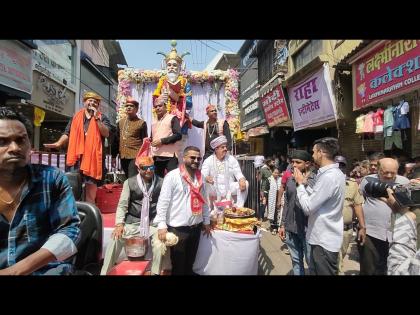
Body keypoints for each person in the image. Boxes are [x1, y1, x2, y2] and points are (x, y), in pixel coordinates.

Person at [0, 107, 80, 275]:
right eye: (2, 142)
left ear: (30, 144)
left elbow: (69, 230)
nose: (14, 148)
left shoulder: (52, 179)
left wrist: (16, 271)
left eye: (21, 140)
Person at [100, 156, 170, 275]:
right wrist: (119, 224)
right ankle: (104, 272)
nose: (149, 171)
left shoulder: (161, 182)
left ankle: (155, 273)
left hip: (153, 223)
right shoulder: (129, 182)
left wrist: (163, 225)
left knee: (160, 244)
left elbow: (166, 205)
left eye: (151, 167)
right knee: (115, 238)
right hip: (132, 222)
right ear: (138, 169)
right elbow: (122, 205)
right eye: (144, 168)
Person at [44, 91, 112, 204]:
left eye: (95, 102)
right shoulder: (76, 117)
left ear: (98, 105)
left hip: (92, 159)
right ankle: (74, 216)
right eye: (90, 100)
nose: (93, 103)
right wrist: (58, 143)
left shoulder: (102, 118)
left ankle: (89, 216)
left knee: (90, 193)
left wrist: (96, 118)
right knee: (73, 190)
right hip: (76, 158)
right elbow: (67, 133)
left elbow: (106, 133)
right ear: (84, 102)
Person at [154, 146, 211, 275]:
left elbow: (204, 200)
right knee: (178, 267)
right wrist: (161, 224)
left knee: (190, 264)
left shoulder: (200, 177)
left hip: (195, 227)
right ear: (183, 158)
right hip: (178, 229)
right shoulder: (172, 176)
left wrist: (206, 220)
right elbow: (163, 202)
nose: (196, 160)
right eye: (192, 157)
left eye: (199, 158)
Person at [294, 137, 346, 275]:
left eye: (313, 152)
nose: (312, 155)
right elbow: (319, 197)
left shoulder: (329, 177)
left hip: (324, 240)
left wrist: (299, 185)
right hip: (321, 237)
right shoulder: (333, 174)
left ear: (321, 152)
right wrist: (305, 185)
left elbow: (308, 207)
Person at [358, 157, 409, 275]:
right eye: (386, 172)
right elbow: (359, 202)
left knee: (391, 267)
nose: (390, 175)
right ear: (378, 170)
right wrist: (361, 226)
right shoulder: (367, 180)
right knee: (369, 268)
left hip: (396, 232)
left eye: (393, 172)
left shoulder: (404, 182)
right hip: (371, 231)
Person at [278, 150, 316, 275]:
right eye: (292, 162)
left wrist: (302, 183)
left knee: (311, 262)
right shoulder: (290, 180)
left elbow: (312, 205)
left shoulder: (315, 181)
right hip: (291, 227)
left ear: (307, 164)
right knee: (296, 261)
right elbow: (287, 203)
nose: (293, 165)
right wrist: (282, 224)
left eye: (298, 162)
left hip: (307, 230)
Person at [334, 155, 367, 275]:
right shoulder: (326, 182)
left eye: (342, 165)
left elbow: (357, 206)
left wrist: (362, 227)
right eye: (337, 165)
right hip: (331, 229)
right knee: (336, 263)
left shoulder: (352, 184)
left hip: (346, 230)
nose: (339, 168)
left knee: (340, 258)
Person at [154, 41, 192, 138]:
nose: (171, 67)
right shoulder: (162, 82)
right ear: (166, 67)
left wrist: (174, 96)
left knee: (179, 152)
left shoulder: (185, 83)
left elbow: (189, 104)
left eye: (174, 65)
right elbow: (154, 103)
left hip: (180, 124)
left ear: (180, 68)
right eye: (169, 65)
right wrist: (161, 97)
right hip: (163, 123)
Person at [201, 135, 248, 209]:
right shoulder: (208, 161)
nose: (225, 149)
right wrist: (206, 178)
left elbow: (238, 173)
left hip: (229, 188)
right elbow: (203, 175)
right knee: (204, 184)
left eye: (225, 147)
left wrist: (241, 179)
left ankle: (239, 208)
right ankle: (208, 209)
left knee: (246, 183)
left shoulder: (231, 159)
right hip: (214, 189)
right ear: (216, 149)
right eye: (222, 147)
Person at [112, 96, 148, 178]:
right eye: (127, 106)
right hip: (123, 156)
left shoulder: (141, 123)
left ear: (136, 109)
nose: (128, 107)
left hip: (135, 156)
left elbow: (145, 142)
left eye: (131, 106)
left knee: (133, 177)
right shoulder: (120, 123)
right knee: (128, 177)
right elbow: (116, 140)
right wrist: (114, 156)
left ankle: (134, 191)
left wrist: (144, 158)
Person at [150, 95, 182, 178]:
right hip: (156, 156)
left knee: (173, 179)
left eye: (160, 106)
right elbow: (152, 138)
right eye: (156, 106)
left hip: (170, 156)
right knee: (157, 181)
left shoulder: (173, 118)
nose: (158, 108)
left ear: (165, 107)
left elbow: (178, 135)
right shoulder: (153, 122)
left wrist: (162, 141)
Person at [267, 168, 281, 235]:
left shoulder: (280, 179)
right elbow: (266, 190)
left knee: (276, 213)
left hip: (278, 198)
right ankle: (272, 227)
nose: (276, 174)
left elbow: (280, 189)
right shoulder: (269, 179)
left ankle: (275, 228)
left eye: (277, 173)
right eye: (275, 172)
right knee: (271, 212)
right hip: (271, 199)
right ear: (272, 172)